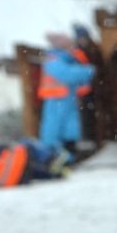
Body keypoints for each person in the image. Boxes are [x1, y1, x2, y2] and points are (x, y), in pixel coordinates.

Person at [37, 32, 95, 166]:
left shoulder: (69, 59)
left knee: (70, 131)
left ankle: (68, 160)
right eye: (70, 46)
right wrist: (87, 71)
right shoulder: (52, 60)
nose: (72, 48)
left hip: (67, 99)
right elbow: (67, 74)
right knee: (54, 132)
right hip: (55, 100)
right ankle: (55, 160)